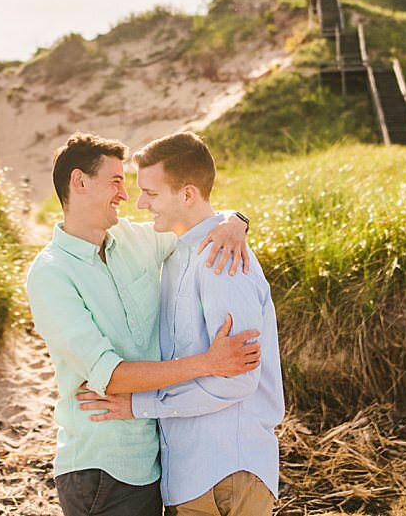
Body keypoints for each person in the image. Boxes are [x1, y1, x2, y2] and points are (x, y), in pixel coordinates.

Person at [26, 133, 261, 516]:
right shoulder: (51, 274)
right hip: (100, 468)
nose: (125, 194)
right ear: (79, 182)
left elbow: (195, 219)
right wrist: (207, 363)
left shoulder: (136, 241)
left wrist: (236, 220)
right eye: (115, 181)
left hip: (155, 465)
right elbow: (111, 376)